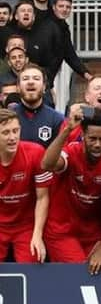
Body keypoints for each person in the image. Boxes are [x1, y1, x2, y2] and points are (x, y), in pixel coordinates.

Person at [41, 105, 101, 273]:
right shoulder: (71, 152)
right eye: (92, 139)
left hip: (92, 233)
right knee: (79, 274)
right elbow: (46, 164)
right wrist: (68, 129)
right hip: (62, 231)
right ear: (83, 136)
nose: (98, 144)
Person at [0, 108, 50, 263]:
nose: (12, 137)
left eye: (15, 131)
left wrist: (37, 234)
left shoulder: (35, 152)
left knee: (34, 260)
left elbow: (43, 198)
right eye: (5, 133)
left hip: (26, 225)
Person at [13, 63, 64, 148]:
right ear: (18, 87)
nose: (30, 82)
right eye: (25, 79)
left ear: (44, 87)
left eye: (36, 79)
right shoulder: (7, 119)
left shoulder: (57, 120)